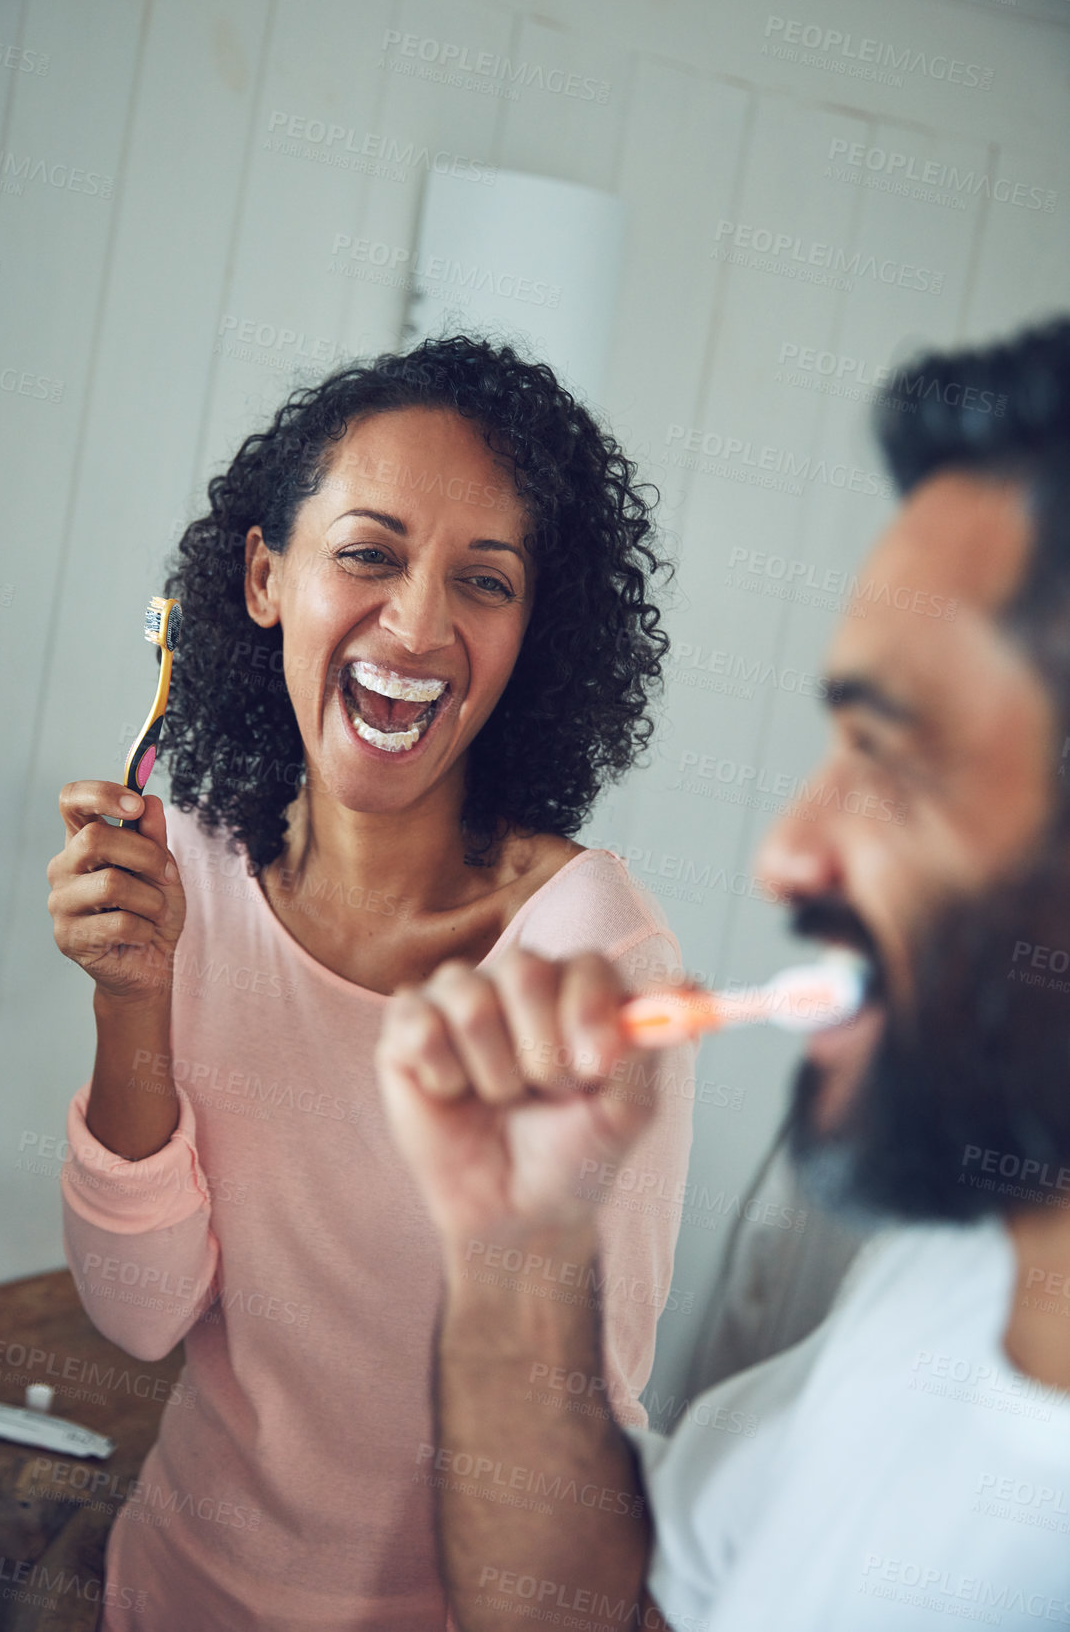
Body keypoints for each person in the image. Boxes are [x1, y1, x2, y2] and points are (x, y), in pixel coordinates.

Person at [377, 319, 1070, 1630]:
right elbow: (608, 1609)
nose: (784, 853)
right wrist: (520, 1248)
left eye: (891, 756)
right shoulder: (957, 1272)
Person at [45, 335, 695, 1631]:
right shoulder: (194, 871)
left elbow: (575, 1432)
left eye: (485, 581)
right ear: (264, 575)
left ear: (533, 638)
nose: (416, 624)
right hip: (169, 1593)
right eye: (368, 552)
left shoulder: (591, 957)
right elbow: (142, 1317)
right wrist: (134, 998)